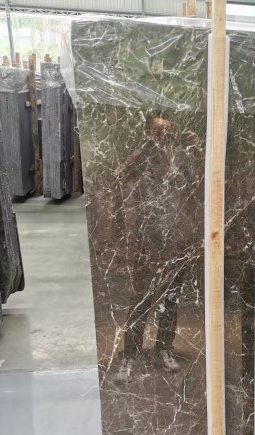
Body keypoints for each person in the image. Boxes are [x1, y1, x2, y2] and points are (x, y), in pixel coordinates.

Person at [111, 115, 199, 383]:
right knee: (141, 299)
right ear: (148, 132)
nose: (163, 135)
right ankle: (130, 354)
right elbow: (119, 176)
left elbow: (194, 190)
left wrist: (191, 149)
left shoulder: (181, 158)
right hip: (146, 239)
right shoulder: (141, 158)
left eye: (167, 131)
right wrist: (147, 148)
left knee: (171, 299)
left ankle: (164, 348)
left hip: (176, 237)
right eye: (157, 130)